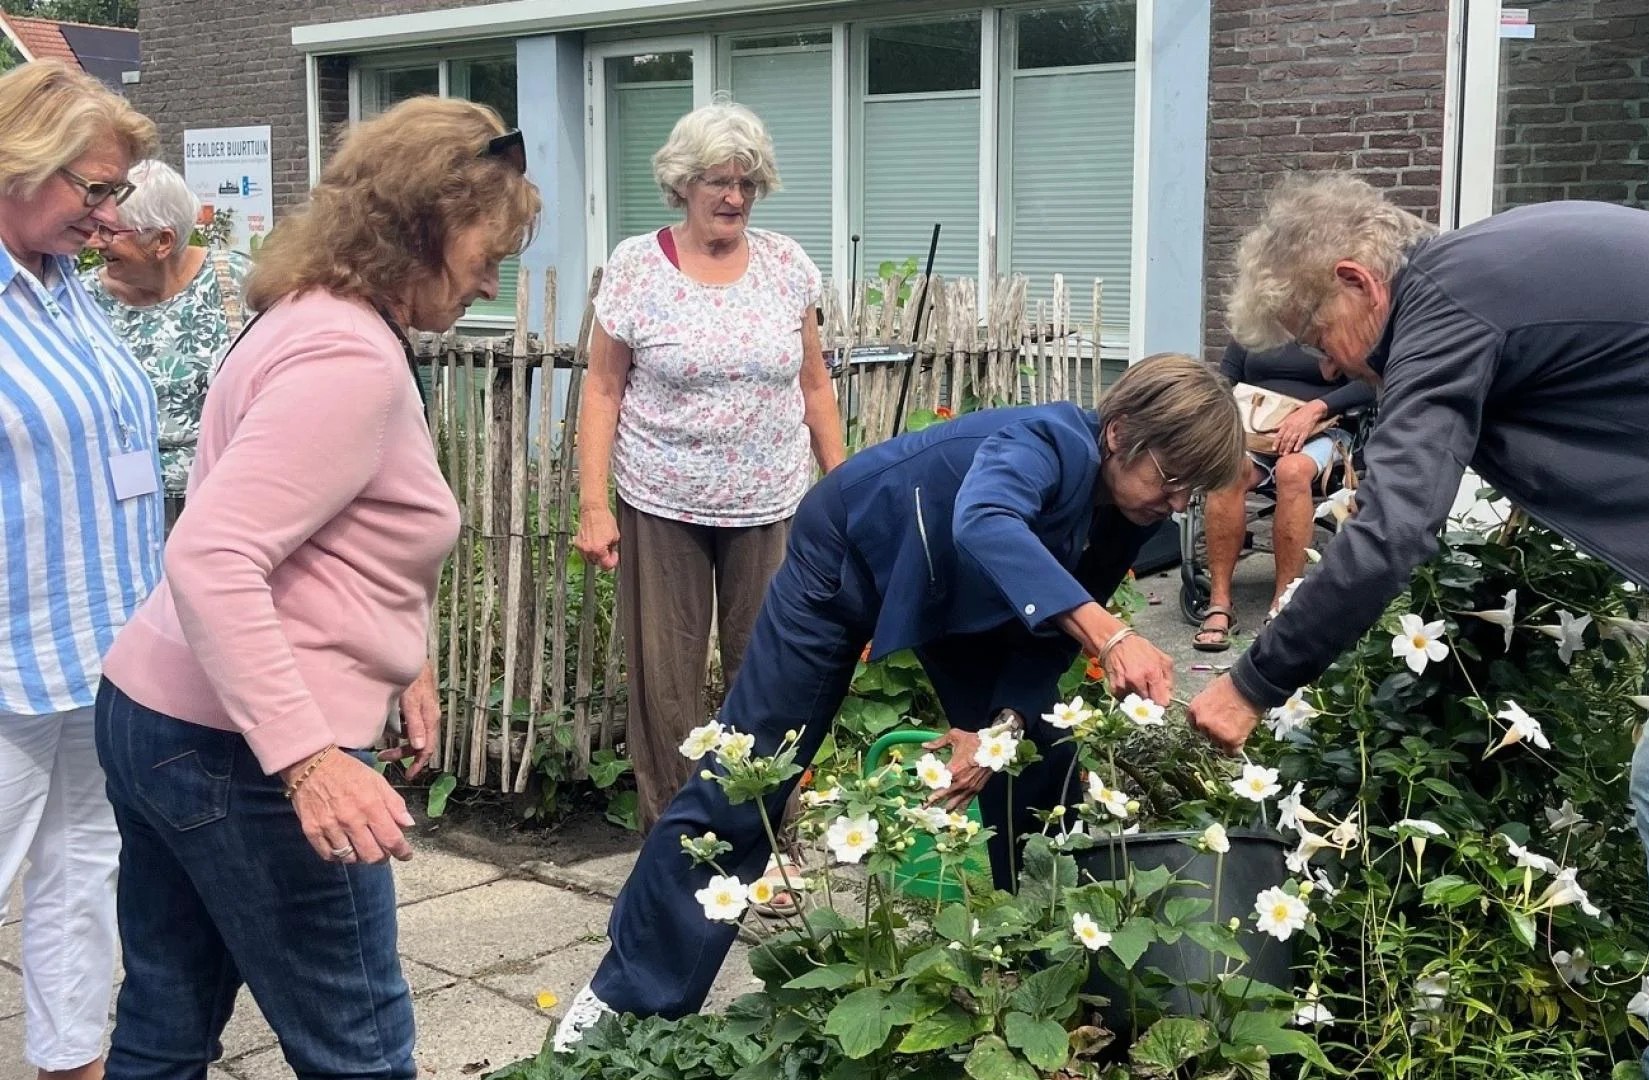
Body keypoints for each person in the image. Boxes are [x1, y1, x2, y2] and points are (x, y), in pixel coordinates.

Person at [1186, 173, 1649, 1080]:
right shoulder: (1486, 270)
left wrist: (1253, 682)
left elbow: (1395, 531)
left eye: (1316, 337)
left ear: (1359, 281)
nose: (1325, 367)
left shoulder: (1451, 302)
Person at [557, 353, 1246, 1043]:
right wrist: (1111, 631)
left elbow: (1046, 642)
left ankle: (1050, 978)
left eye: (1195, 491)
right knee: (754, 771)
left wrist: (998, 729)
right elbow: (986, 519)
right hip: (846, 562)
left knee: (1040, 765)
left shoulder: (1126, 509)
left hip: (960, 599)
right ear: (1121, 432)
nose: (1179, 503)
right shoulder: (1045, 442)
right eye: (1174, 478)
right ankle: (621, 1006)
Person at [93, 98, 540, 1079]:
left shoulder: (304, 314)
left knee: (167, 1016)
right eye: (486, 244)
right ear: (419, 226)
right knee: (361, 1048)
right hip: (238, 752)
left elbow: (327, 530)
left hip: (158, 714)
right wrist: (307, 761)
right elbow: (213, 554)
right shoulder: (348, 357)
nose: (492, 272)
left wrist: (404, 646)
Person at [573, 101, 845, 833]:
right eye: (718, 181)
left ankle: (765, 838)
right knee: (667, 685)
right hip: (663, 500)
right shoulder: (636, 267)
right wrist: (594, 505)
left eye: (747, 183)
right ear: (683, 183)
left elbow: (815, 385)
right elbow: (602, 388)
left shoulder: (787, 265)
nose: (733, 198)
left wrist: (843, 488)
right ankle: (679, 841)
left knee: (773, 673)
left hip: (771, 500)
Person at [0, 59, 159, 1080]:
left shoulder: (67, 291)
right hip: (7, 652)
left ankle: (71, 1063)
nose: (108, 215)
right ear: (19, 162)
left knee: (82, 871)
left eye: (115, 193)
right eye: (92, 188)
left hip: (101, 640)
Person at [83, 159, 251, 530]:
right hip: (122, 513)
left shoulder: (238, 284)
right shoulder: (81, 301)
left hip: (228, 505)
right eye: (95, 227)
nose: (95, 242)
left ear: (162, 241)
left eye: (110, 231)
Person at [1192, 339, 1372, 651]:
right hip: (1258, 429)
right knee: (1229, 470)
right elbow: (1224, 382)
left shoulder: (1333, 318)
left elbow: (1371, 383)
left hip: (1324, 429)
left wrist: (1317, 409)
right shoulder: (1253, 326)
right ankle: (1219, 601)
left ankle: (1283, 605)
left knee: (1292, 472)